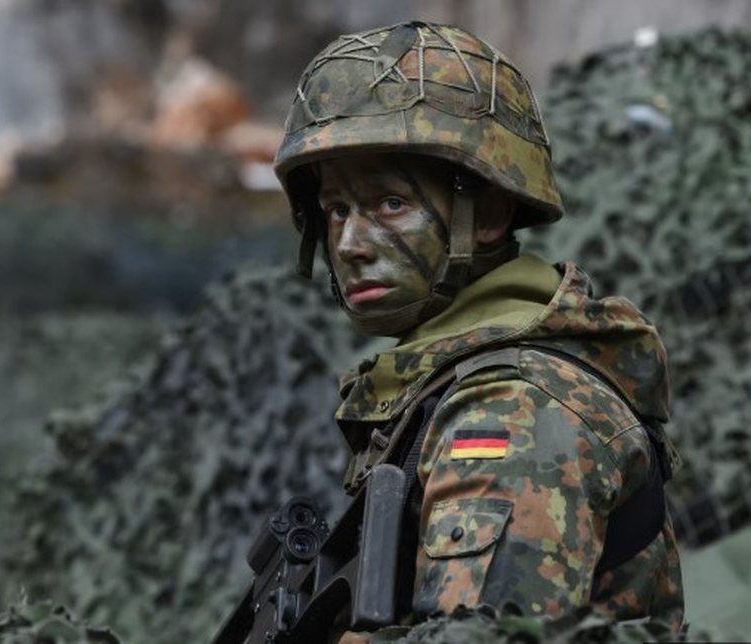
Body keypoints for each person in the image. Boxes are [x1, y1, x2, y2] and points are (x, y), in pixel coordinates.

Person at [271, 22, 684, 641]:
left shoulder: (514, 408)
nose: (351, 244)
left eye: (390, 204)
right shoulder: (447, 384)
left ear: (487, 214)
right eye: (337, 210)